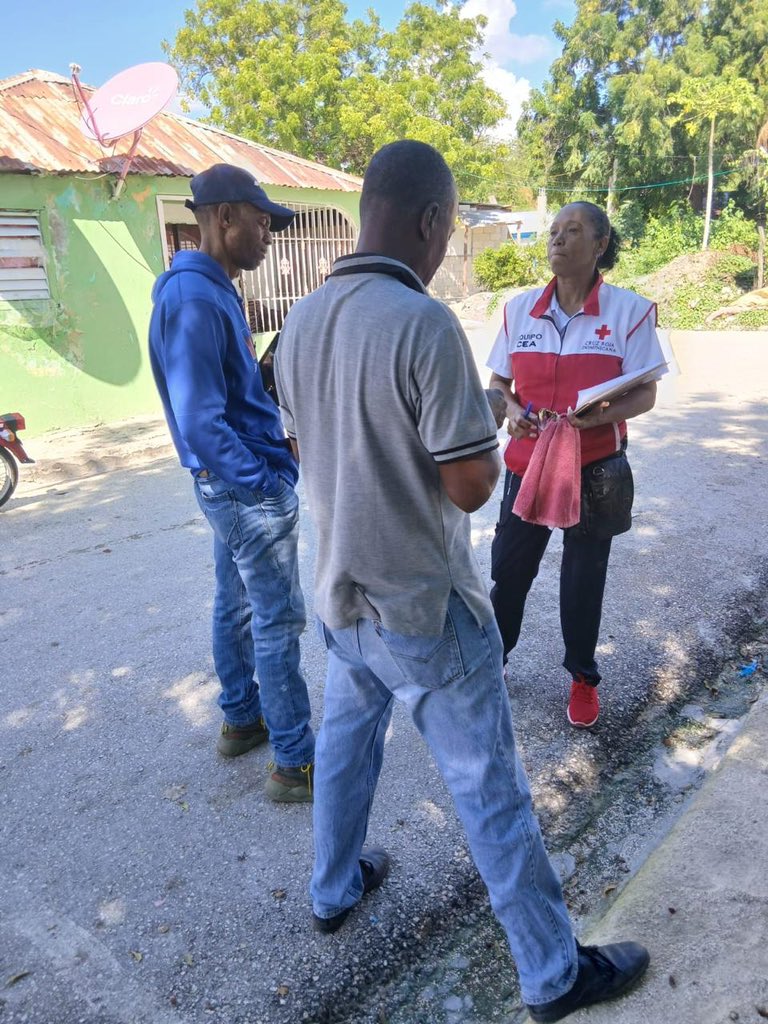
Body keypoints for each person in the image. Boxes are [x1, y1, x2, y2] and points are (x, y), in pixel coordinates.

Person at [274, 141, 649, 1022]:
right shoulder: (423, 323)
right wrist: (478, 434)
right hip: (424, 609)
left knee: (344, 746)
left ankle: (333, 889)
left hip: (342, 596)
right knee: (490, 787)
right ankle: (553, 974)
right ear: (434, 221)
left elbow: (305, 445)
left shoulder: (301, 318)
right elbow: (473, 485)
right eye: (447, 230)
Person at [148, 163, 315, 803]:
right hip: (243, 489)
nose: (269, 232)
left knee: (234, 601)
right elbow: (199, 418)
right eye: (261, 219)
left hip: (230, 484)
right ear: (224, 218)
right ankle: (294, 762)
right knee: (277, 619)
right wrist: (264, 485)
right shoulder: (193, 297)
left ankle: (243, 718)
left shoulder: (208, 289)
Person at [487, 202, 665, 729]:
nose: (558, 240)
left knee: (583, 578)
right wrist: (514, 413)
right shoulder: (518, 310)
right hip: (528, 462)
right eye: (554, 232)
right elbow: (499, 384)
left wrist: (600, 416)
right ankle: (494, 661)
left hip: (594, 467)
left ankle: (583, 678)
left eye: (573, 231)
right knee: (509, 572)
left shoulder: (628, 312)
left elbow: (646, 392)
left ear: (600, 244)